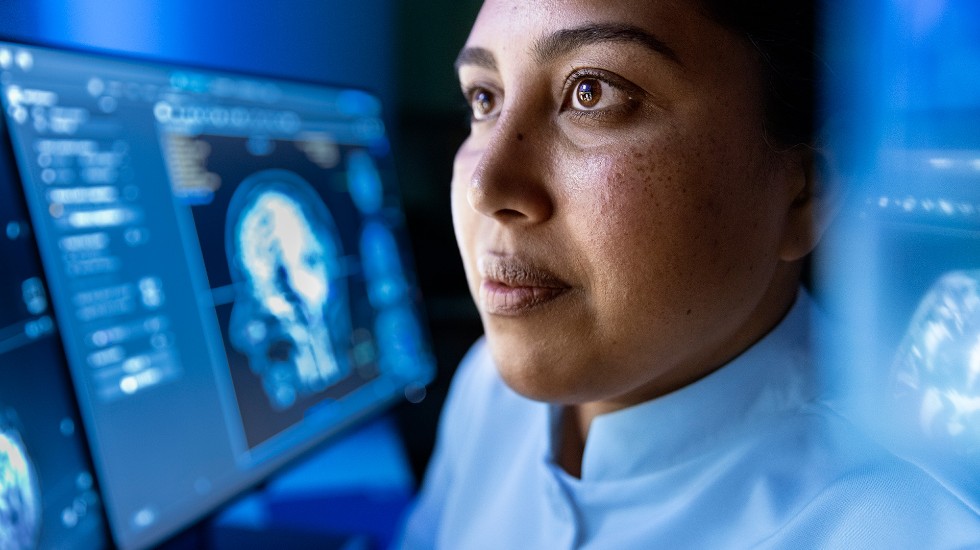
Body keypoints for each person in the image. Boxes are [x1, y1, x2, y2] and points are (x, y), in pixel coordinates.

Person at [400, 0, 980, 547]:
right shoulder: (488, 394)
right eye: (484, 98)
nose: (486, 188)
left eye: (591, 91)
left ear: (805, 193)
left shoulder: (916, 527)